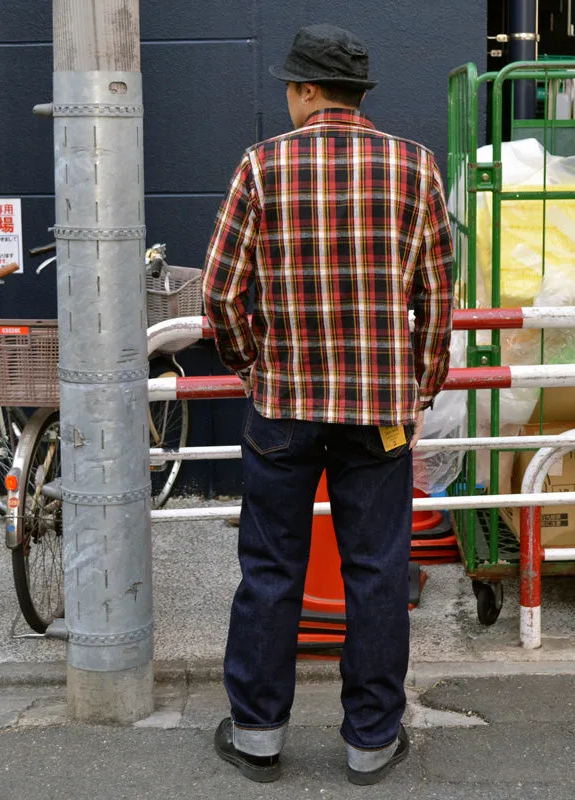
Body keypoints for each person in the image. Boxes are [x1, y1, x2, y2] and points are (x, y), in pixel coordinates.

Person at [202, 22, 454, 786]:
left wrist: (254, 365)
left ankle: (257, 736)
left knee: (270, 568)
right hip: (378, 411)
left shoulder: (262, 165)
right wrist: (419, 384)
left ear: (307, 91)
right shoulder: (415, 168)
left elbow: (220, 296)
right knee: (377, 571)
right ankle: (370, 741)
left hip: (283, 406)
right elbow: (437, 299)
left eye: (289, 85)